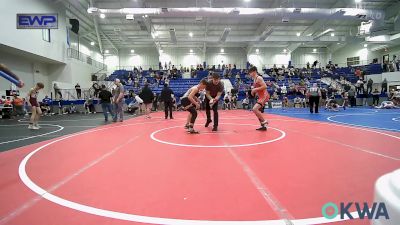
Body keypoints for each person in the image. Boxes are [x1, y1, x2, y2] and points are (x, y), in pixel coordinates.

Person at [249, 66, 269, 131]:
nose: (250, 74)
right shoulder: (254, 79)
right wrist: (255, 92)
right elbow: (259, 88)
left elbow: (265, 86)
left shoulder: (259, 78)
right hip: (261, 96)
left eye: (250, 72)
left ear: (254, 72)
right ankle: (263, 126)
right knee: (257, 112)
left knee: (254, 109)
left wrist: (255, 89)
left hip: (264, 96)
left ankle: (264, 121)